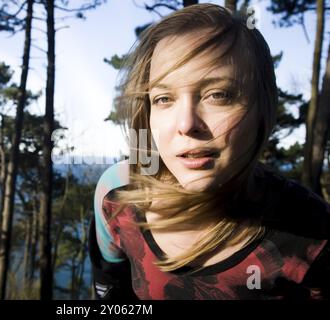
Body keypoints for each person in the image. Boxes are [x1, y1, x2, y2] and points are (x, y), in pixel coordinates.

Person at [88, 3, 330, 300]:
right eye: (164, 98)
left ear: (261, 109)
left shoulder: (313, 231)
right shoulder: (118, 193)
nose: (187, 124)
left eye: (218, 95)